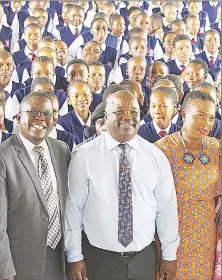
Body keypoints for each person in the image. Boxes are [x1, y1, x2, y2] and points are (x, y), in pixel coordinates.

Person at [65, 89, 180, 280]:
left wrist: (169, 255)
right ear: (105, 116)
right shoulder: (84, 156)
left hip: (143, 259)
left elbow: (167, 210)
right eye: (119, 111)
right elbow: (73, 210)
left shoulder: (156, 157)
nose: (127, 117)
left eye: (134, 112)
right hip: (98, 258)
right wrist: (74, 256)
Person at [0, 91, 70, 280]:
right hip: (20, 265)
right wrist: (4, 273)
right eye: (33, 112)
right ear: (19, 116)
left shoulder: (61, 150)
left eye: (46, 113)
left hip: (59, 260)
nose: (40, 118)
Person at [155, 90, 221, 280]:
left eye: (210, 118)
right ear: (183, 114)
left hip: (206, 238)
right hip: (172, 238)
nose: (206, 124)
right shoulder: (162, 149)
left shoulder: (216, 148)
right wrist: (159, 249)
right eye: (200, 116)